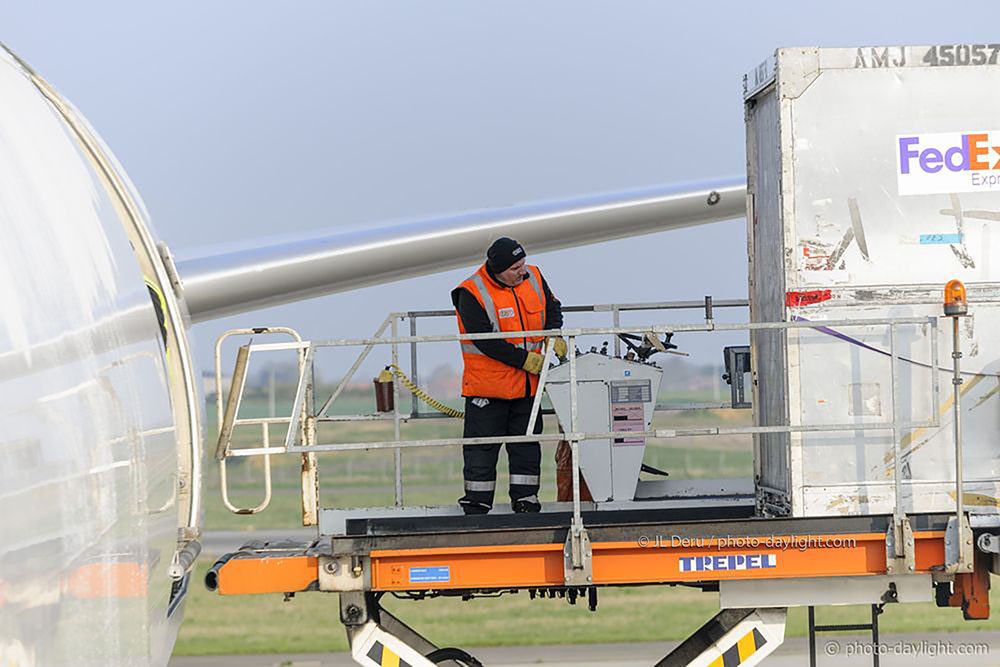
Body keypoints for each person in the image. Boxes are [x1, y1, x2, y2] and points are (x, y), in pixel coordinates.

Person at [452, 237, 565, 515]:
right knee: (482, 451)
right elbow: (486, 342)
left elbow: (553, 309)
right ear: (497, 269)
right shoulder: (471, 293)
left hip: (528, 389)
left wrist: (553, 334)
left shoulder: (534, 276)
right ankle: (477, 507)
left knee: (526, 447)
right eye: (515, 268)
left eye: (523, 264)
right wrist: (526, 360)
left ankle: (526, 501)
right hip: (488, 391)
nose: (522, 272)